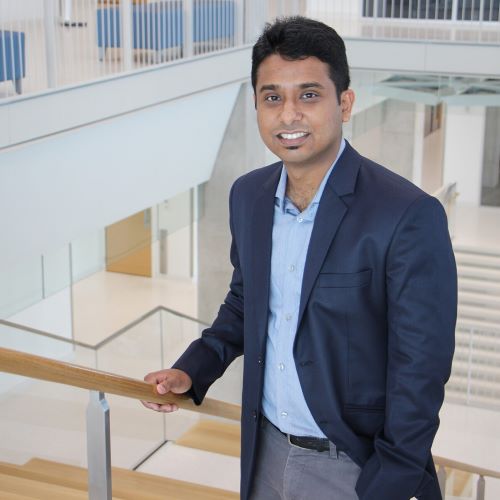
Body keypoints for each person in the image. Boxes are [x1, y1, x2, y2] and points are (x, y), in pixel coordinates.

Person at [142, 16, 457, 500]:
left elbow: (421, 370)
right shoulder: (247, 196)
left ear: (345, 103)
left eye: (309, 95)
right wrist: (194, 368)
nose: (288, 115)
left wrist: (385, 486)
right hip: (263, 454)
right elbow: (245, 302)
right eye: (273, 98)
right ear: (256, 107)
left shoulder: (407, 215)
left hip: (354, 468)